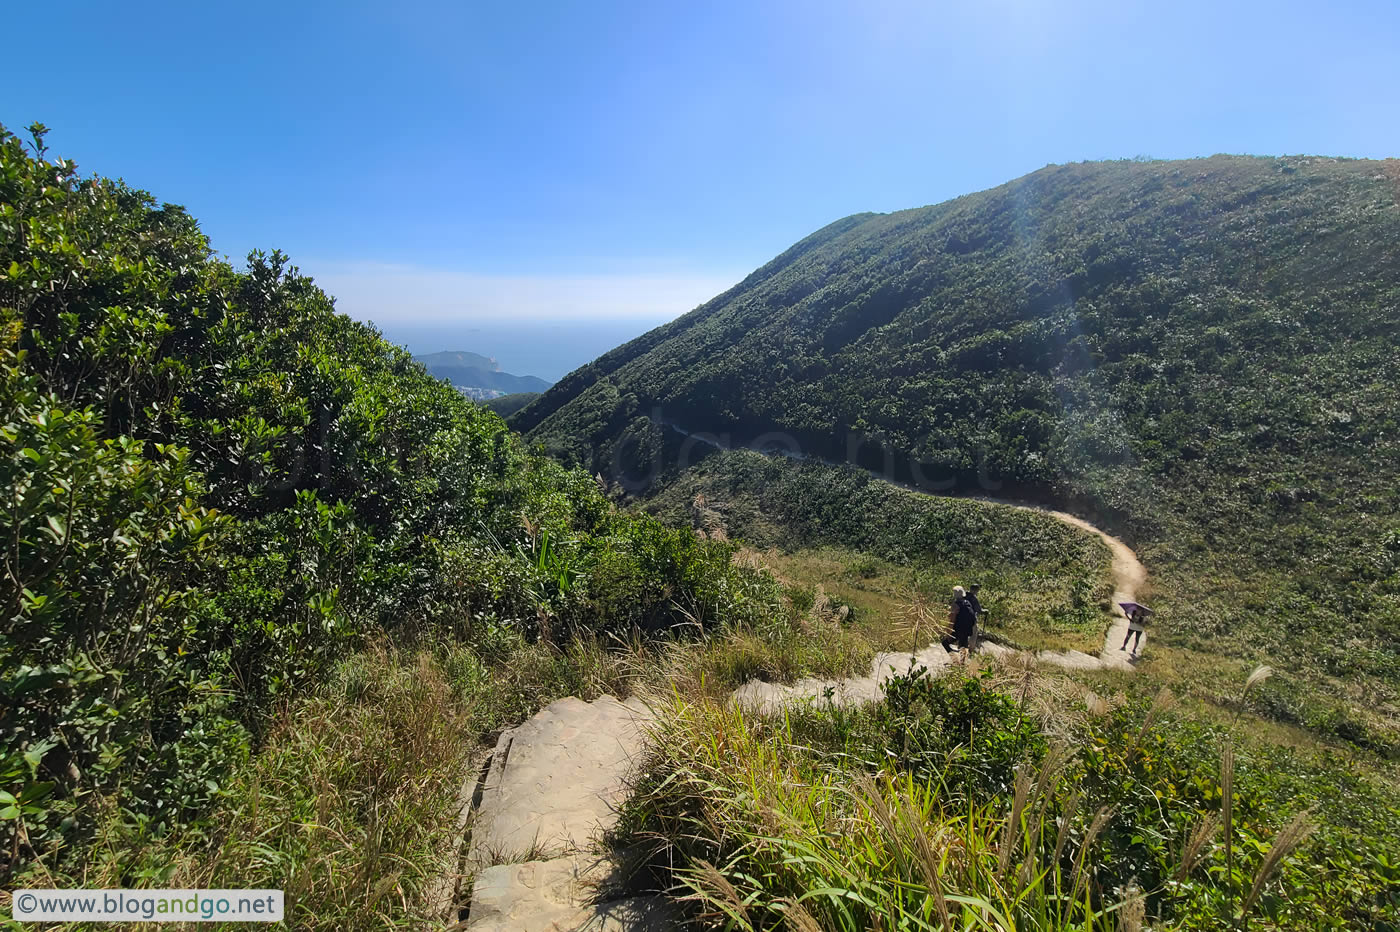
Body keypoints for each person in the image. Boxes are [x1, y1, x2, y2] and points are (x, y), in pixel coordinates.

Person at [943, 585, 978, 654]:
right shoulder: (968, 603)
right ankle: (963, 662)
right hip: (968, 629)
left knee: (945, 643)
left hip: (958, 629)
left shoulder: (955, 605)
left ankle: (954, 659)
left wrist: (949, 633)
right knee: (964, 647)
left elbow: (952, 620)